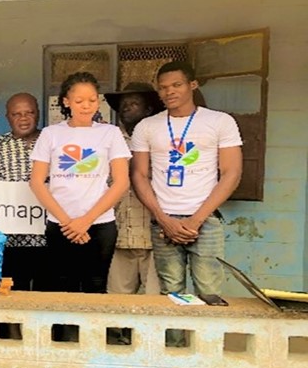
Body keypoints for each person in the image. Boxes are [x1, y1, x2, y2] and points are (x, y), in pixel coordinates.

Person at [130, 61, 243, 298]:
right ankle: (174, 338)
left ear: (193, 84)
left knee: (209, 292)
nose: (169, 91)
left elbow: (231, 172)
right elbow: (139, 175)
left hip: (206, 219)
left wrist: (196, 221)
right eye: (163, 87)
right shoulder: (147, 126)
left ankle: (207, 337)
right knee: (171, 294)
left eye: (177, 85)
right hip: (163, 221)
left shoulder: (220, 121)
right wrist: (163, 220)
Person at [30, 72, 131, 293]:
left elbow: (121, 182)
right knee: (62, 283)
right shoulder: (51, 134)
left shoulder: (110, 133)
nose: (86, 106)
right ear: (66, 102)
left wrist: (86, 220)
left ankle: (93, 330)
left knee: (96, 284)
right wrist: (68, 222)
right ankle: (65, 330)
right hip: (60, 225)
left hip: (100, 224)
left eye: (92, 100)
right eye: (79, 101)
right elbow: (37, 182)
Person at [0, 93, 47, 291]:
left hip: (50, 237)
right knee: (13, 296)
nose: (23, 118)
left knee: (49, 295)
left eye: (29, 113)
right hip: (10, 241)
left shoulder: (53, 142)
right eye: (16, 114)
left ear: (38, 114)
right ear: (7, 117)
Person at [103, 83, 165, 297]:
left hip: (155, 233)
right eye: (123, 104)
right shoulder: (109, 141)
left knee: (155, 301)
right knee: (116, 301)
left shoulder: (162, 140)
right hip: (119, 232)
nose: (126, 108)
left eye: (133, 103)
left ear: (148, 110)